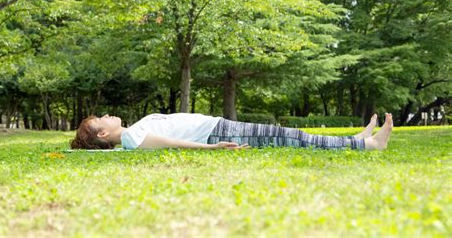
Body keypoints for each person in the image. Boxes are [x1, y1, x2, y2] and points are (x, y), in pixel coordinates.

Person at [70, 112, 393, 151]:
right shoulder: (129, 137)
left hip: (215, 126)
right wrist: (211, 148)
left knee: (288, 134)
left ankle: (357, 139)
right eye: (102, 119)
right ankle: (367, 145)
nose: (108, 115)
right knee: (289, 137)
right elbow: (166, 142)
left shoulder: (132, 129)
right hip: (215, 132)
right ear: (102, 135)